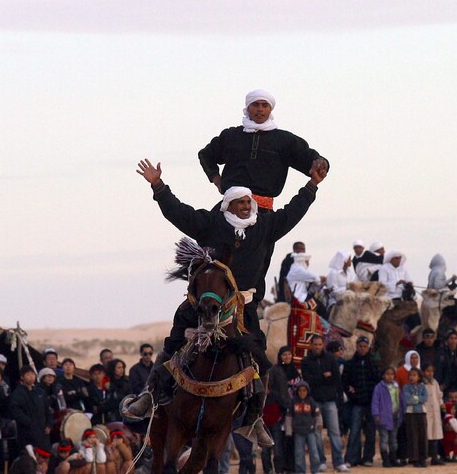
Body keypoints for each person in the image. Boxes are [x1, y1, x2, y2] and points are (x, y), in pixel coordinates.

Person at [128, 156, 327, 447]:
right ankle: (150, 394)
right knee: (173, 341)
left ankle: (254, 418)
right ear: (228, 206)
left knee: (260, 358)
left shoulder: (266, 226)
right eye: (241, 202)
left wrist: (311, 186)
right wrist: (158, 186)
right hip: (206, 298)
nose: (247, 206)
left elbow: (292, 212)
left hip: (242, 305)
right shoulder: (211, 223)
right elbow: (179, 214)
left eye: (249, 202)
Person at [197, 89, 329, 205]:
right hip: (231, 207)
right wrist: (216, 179)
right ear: (248, 108)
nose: (260, 109)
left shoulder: (284, 140)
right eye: (255, 104)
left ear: (270, 109)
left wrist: (320, 164)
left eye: (265, 105)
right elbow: (206, 155)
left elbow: (310, 158)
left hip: (264, 214)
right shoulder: (231, 136)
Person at [301, 335, 348, 472]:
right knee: (317, 434)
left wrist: (338, 397)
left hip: (330, 401)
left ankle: (339, 462)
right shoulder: (306, 361)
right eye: (315, 344)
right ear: (311, 345)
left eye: (320, 344)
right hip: (315, 401)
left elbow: (335, 379)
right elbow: (308, 380)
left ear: (323, 345)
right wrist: (323, 376)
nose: (317, 347)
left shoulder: (330, 359)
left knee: (335, 432)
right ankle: (321, 461)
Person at [342, 336, 381, 468]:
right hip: (356, 403)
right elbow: (345, 382)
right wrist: (351, 392)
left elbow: (378, 382)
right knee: (354, 430)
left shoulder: (374, 363)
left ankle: (368, 458)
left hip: (371, 402)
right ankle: (351, 458)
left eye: (365, 346)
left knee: (370, 431)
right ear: (356, 347)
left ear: (368, 347)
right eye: (360, 346)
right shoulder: (350, 364)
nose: (362, 348)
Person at [261, 346, 297, 474]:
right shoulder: (275, 370)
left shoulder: (294, 371)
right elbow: (267, 389)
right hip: (275, 411)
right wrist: (277, 399)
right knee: (269, 447)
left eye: (289, 354)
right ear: (280, 356)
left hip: (290, 411)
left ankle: (284, 468)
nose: (287, 357)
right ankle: (269, 470)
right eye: (284, 355)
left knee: (284, 444)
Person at [10, 365, 52, 453]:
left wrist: (49, 424)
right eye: (28, 375)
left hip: (43, 431)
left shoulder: (40, 391)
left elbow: (47, 409)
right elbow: (16, 412)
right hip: (27, 433)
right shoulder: (18, 393)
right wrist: (30, 423)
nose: (31, 377)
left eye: (33, 374)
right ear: (22, 377)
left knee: (46, 456)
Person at [284, 381, 322, 474]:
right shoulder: (293, 402)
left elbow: (317, 414)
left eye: (304, 391)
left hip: (310, 430)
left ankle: (315, 470)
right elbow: (289, 417)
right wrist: (288, 431)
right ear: (297, 391)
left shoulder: (311, 401)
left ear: (307, 391)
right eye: (300, 391)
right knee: (299, 454)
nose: (302, 393)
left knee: (314, 452)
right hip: (298, 432)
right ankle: (300, 471)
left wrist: (319, 424)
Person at [371, 367, 405, 468]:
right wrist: (376, 414)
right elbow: (375, 402)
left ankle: (393, 458)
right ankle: (385, 460)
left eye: (392, 374)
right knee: (384, 439)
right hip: (383, 418)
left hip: (395, 416)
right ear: (383, 375)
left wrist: (402, 412)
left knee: (393, 439)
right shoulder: (379, 387)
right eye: (387, 374)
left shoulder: (396, 386)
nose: (390, 376)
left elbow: (401, 400)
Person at [402, 367, 428, 468]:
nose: (412, 377)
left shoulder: (422, 387)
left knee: (423, 435)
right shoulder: (406, 387)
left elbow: (425, 398)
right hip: (410, 414)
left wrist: (415, 398)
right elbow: (407, 400)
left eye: (414, 375)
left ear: (419, 377)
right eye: (410, 375)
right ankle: (414, 458)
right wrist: (418, 398)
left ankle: (423, 458)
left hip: (421, 412)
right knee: (413, 436)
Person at [421, 364, 445, 466]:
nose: (430, 373)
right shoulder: (421, 384)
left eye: (432, 371)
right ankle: (424, 458)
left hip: (435, 412)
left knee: (435, 436)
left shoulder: (435, 382)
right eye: (427, 371)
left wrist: (442, 405)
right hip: (426, 412)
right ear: (423, 371)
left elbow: (439, 395)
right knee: (427, 436)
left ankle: (435, 457)